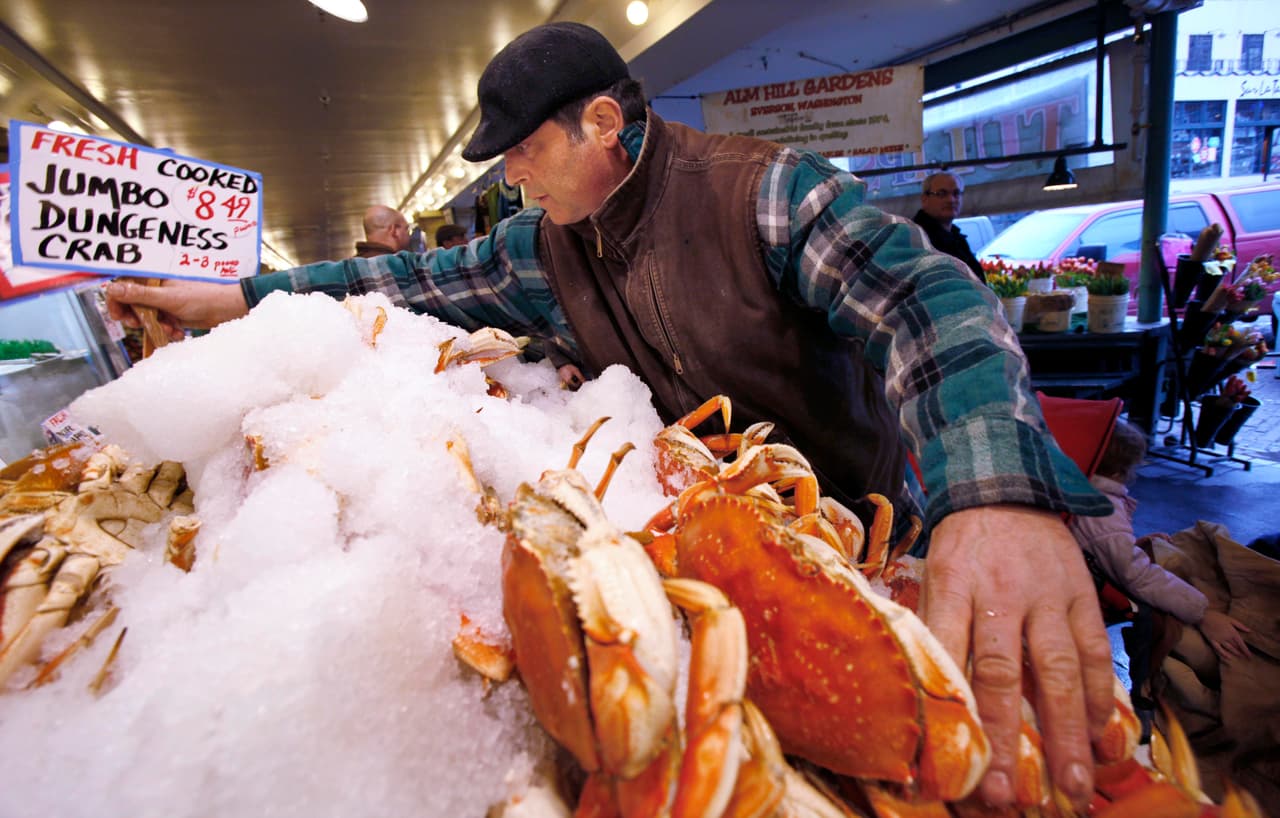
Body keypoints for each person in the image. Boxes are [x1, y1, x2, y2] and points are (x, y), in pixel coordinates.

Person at [105, 22, 1117, 806]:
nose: (506, 176)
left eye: (519, 149)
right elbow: (402, 275)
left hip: (847, 553)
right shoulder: (544, 248)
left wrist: (992, 491)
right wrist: (234, 297)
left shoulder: (759, 193)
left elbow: (925, 299)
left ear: (600, 121)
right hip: (691, 547)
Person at [1069, 418, 1251, 664]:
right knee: (1152, 615)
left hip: (1079, 575)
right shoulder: (1103, 510)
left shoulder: (1073, 488)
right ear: (1117, 472)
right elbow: (1137, 576)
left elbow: (1095, 544)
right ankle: (1144, 687)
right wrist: (1202, 613)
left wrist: (1130, 543)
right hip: (1086, 595)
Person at [912, 172, 984, 280]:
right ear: (924, 199)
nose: (951, 200)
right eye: (941, 193)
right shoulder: (917, 236)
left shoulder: (956, 237)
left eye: (956, 193)